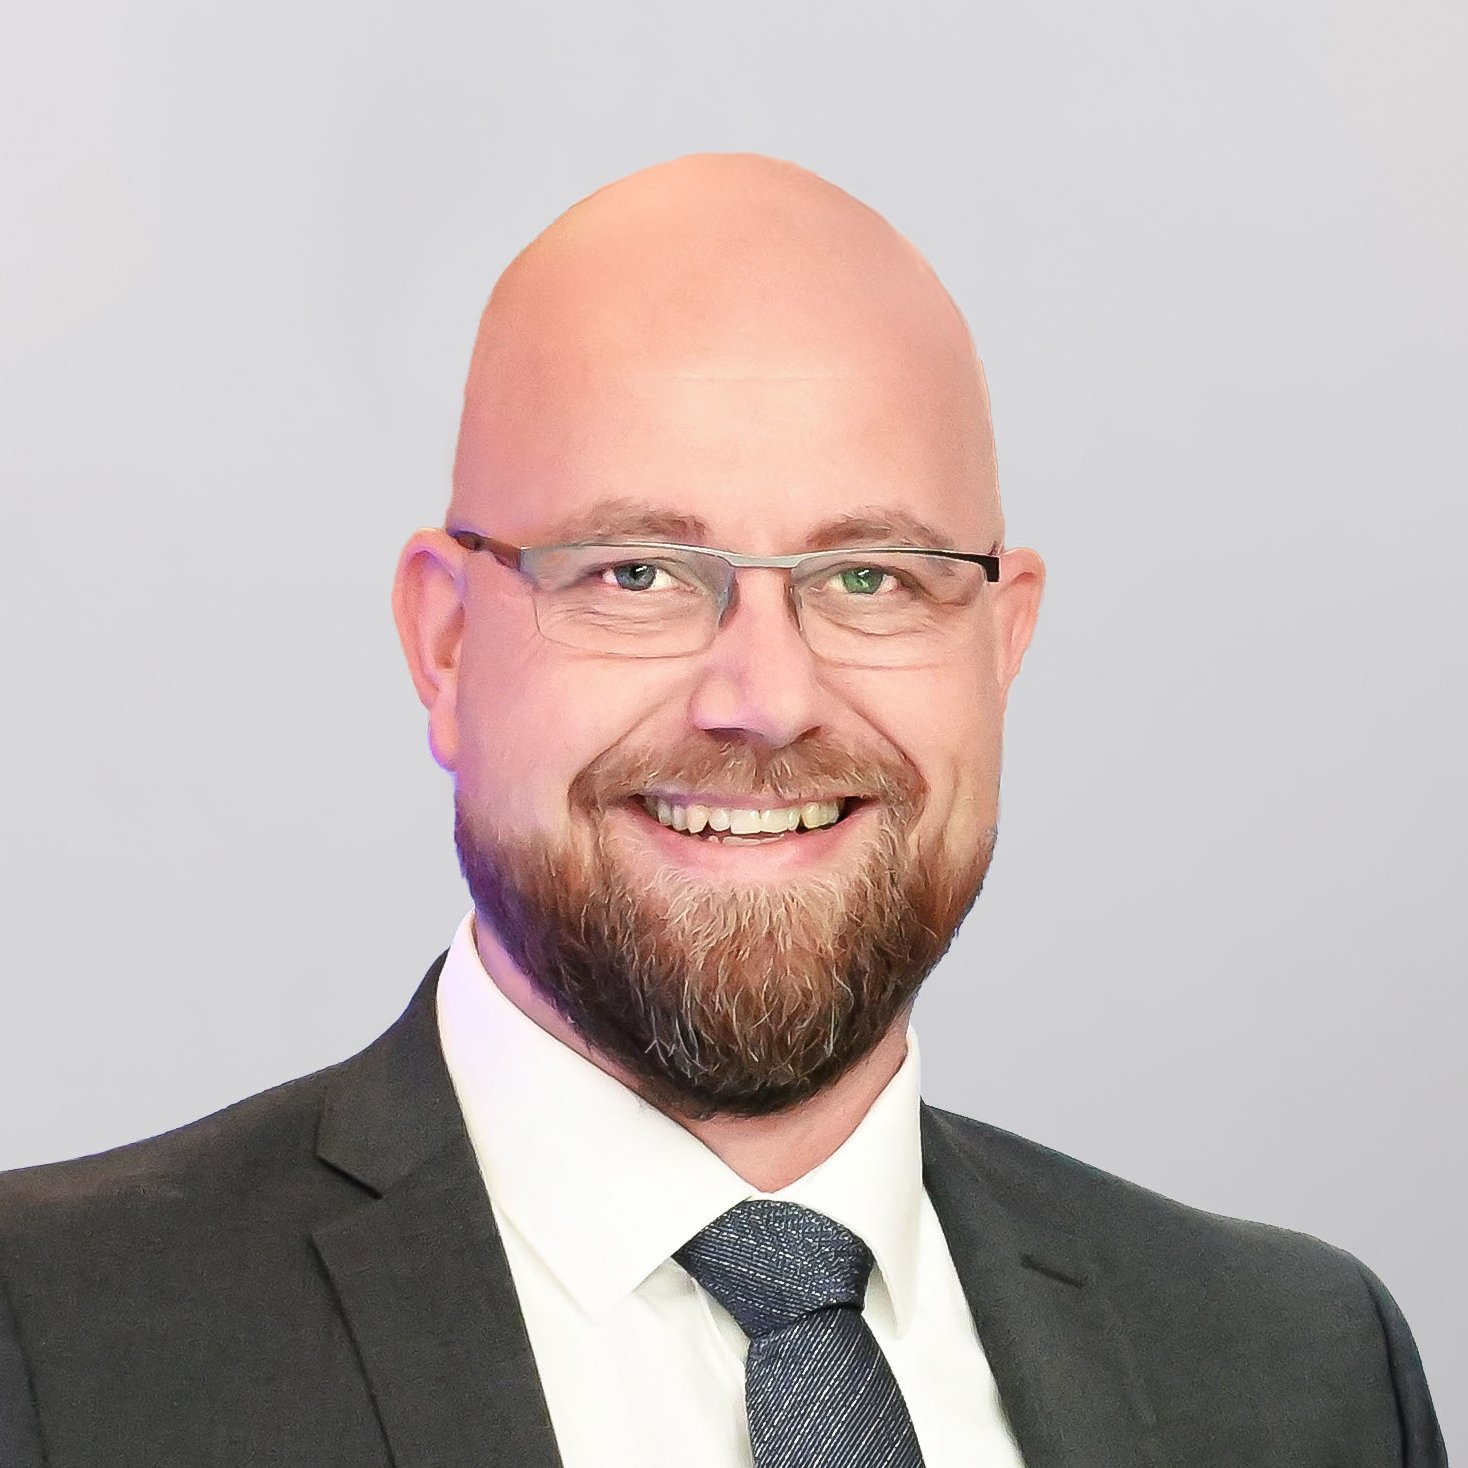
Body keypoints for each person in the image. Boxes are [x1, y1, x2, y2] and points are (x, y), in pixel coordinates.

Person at [0, 153, 1445, 1467]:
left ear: (1001, 648)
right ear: (445, 646)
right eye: (634, 572)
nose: (767, 698)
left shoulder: (1297, 1372)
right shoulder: (51, 1348)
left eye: (872, 576)